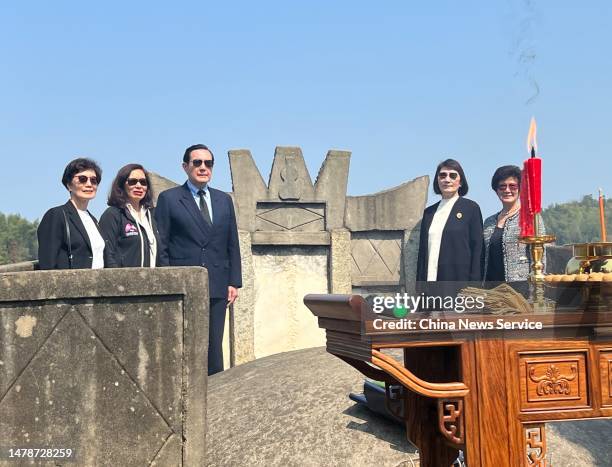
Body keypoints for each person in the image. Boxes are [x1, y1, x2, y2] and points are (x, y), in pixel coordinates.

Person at [155, 144, 242, 375]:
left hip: (217, 282)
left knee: (215, 344)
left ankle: (216, 392)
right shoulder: (170, 199)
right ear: (185, 167)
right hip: (185, 282)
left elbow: (232, 242)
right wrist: (167, 280)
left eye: (208, 163)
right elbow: (161, 244)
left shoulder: (224, 200)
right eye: (197, 163)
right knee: (188, 341)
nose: (203, 168)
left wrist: (234, 281)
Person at [416, 159, 484, 289]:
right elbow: (422, 252)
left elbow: (478, 250)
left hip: (459, 284)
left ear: (461, 182)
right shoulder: (428, 213)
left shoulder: (471, 208)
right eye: (442, 175)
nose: (447, 179)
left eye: (453, 175)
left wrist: (475, 287)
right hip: (430, 284)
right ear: (437, 180)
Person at [38, 158, 116, 269]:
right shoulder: (56, 215)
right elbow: (48, 264)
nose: (89, 184)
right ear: (69, 185)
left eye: (94, 180)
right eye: (82, 179)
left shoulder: (93, 220)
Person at [483, 165, 545, 284]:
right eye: (502, 186)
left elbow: (541, 258)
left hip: (520, 288)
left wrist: (538, 287)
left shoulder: (531, 218)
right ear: (496, 190)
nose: (507, 190)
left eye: (512, 186)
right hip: (492, 290)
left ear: (520, 189)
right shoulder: (489, 222)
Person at [99, 164, 159, 268]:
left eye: (143, 182)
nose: (139, 186)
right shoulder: (113, 214)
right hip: (125, 281)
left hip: (153, 281)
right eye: (132, 182)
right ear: (121, 185)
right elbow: (108, 254)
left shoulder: (152, 215)